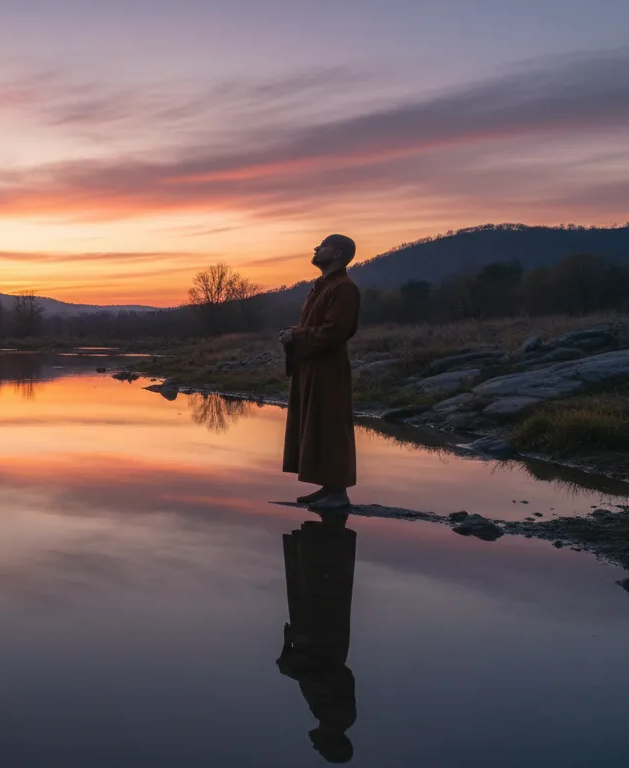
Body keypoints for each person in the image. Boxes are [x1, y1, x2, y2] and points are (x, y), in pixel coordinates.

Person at [279, 235, 361, 510]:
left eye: (322, 245)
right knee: (318, 425)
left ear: (337, 253)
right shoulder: (323, 287)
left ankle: (339, 494)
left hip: (329, 368)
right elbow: (319, 326)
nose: (316, 248)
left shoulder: (344, 288)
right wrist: (294, 334)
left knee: (332, 426)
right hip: (313, 366)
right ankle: (329, 487)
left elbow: (335, 332)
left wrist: (297, 335)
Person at [277, 510, 358, 764]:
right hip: (323, 634)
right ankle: (325, 532)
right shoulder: (338, 714)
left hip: (315, 636)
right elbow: (328, 675)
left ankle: (322, 535)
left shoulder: (329, 714)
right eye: (320, 744)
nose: (315, 740)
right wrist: (294, 665)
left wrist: (291, 661)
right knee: (317, 580)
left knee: (310, 581)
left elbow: (315, 676)